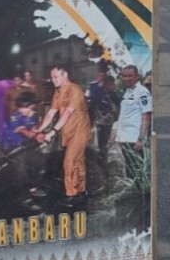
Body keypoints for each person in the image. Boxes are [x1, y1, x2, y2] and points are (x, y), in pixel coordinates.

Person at [34, 64, 91, 207]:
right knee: (78, 162)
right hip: (68, 133)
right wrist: (39, 129)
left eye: (55, 77)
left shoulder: (75, 90)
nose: (53, 80)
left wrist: (52, 131)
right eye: (51, 77)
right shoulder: (58, 92)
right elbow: (51, 113)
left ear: (65, 75)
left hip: (79, 132)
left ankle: (71, 194)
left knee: (69, 161)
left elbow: (67, 113)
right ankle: (82, 192)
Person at [112, 65, 153, 178]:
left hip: (135, 139)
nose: (127, 78)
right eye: (124, 76)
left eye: (130, 76)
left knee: (137, 172)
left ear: (137, 76)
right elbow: (125, 115)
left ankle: (140, 189)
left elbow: (146, 115)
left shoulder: (142, 92)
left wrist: (141, 139)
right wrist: (116, 133)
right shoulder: (128, 92)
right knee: (129, 170)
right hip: (125, 138)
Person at [87, 72, 120, 153]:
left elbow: (117, 110)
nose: (108, 86)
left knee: (104, 144)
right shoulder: (98, 94)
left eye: (110, 84)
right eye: (107, 83)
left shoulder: (114, 96)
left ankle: (103, 156)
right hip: (97, 122)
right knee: (95, 144)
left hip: (108, 123)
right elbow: (92, 106)